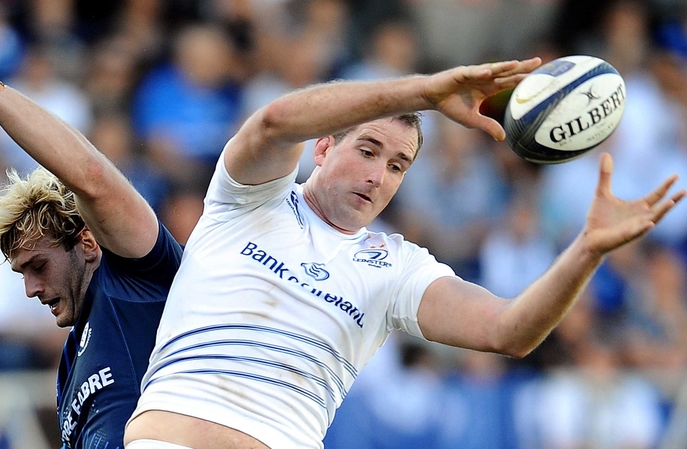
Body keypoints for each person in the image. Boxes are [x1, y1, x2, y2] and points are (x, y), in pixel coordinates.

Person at [122, 40, 686, 449]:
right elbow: (273, 122)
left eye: (397, 165)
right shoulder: (250, 200)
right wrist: (425, 91)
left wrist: (588, 249)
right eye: (367, 151)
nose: (379, 175)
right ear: (321, 148)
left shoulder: (395, 267)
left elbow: (508, 330)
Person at [0, 6, 183, 449]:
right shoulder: (70, 361)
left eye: (38, 265)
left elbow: (92, 176)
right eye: (22, 273)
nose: (30, 289)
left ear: (87, 241)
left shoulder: (137, 278)